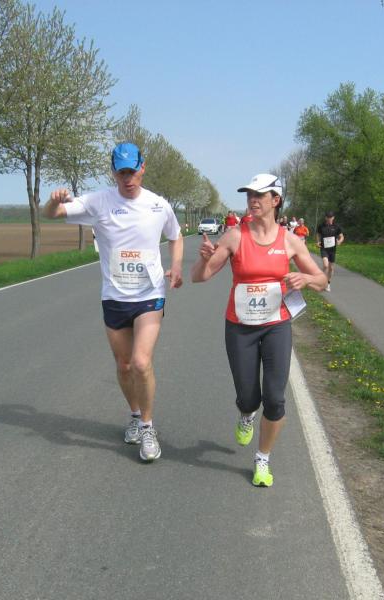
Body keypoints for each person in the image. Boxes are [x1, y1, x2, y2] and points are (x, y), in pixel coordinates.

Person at [44, 141, 183, 462]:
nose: (127, 179)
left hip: (149, 294)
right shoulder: (98, 201)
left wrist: (176, 266)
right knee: (123, 365)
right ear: (113, 173)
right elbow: (53, 214)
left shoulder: (158, 205)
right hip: (115, 296)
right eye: (121, 173)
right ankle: (134, 415)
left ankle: (148, 427)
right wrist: (53, 201)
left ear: (142, 168)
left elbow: (175, 235)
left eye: (132, 171)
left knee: (141, 362)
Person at [191, 173, 327, 487]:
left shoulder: (290, 240)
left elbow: (322, 281)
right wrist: (203, 260)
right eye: (249, 195)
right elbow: (201, 277)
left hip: (276, 325)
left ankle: (262, 458)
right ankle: (246, 413)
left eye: (259, 195)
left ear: (275, 200)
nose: (252, 200)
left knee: (275, 399)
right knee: (248, 396)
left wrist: (306, 279)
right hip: (240, 327)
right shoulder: (235, 236)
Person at [316, 211, 344, 292]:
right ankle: (320, 279)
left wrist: (339, 241)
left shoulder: (336, 226)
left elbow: (341, 236)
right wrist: (318, 242)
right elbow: (318, 234)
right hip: (324, 248)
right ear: (325, 217)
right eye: (327, 217)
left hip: (332, 249)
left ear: (333, 217)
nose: (329, 219)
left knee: (331, 268)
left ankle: (328, 283)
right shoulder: (321, 226)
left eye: (330, 217)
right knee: (325, 265)